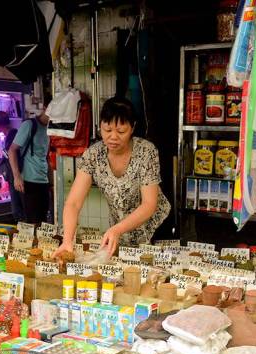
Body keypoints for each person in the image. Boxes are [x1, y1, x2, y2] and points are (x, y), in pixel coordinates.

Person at [53, 97, 170, 256]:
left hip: (155, 228)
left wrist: (117, 229)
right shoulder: (94, 155)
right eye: (107, 130)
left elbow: (149, 204)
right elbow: (73, 203)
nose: (113, 137)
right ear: (100, 125)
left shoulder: (146, 152)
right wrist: (67, 241)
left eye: (121, 131)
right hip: (118, 232)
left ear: (133, 127)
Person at [8, 108, 51, 224]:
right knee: (32, 221)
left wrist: (50, 180)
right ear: (46, 108)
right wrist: (17, 177)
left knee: (43, 221)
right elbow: (12, 150)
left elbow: (45, 157)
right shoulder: (29, 125)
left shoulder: (50, 129)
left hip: (43, 181)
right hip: (28, 181)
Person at [0, 111, 24, 221]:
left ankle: (23, 230)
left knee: (17, 208)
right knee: (18, 206)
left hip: (16, 177)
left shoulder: (12, 134)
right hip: (15, 176)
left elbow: (11, 154)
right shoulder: (11, 134)